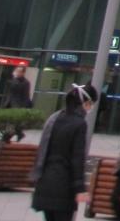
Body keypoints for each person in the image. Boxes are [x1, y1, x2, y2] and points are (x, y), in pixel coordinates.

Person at [31, 83, 97, 221]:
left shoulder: (55, 118)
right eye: (91, 104)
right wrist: (80, 188)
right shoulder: (79, 123)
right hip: (64, 185)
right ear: (86, 103)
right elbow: (77, 158)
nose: (90, 108)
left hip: (45, 181)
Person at [3, 65, 34, 140]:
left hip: (17, 105)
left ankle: (6, 137)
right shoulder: (14, 80)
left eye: (19, 71)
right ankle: (19, 133)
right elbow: (8, 85)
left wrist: (24, 107)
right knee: (9, 121)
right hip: (10, 103)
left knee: (12, 122)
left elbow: (26, 95)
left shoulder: (25, 82)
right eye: (16, 71)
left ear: (23, 73)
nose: (17, 73)